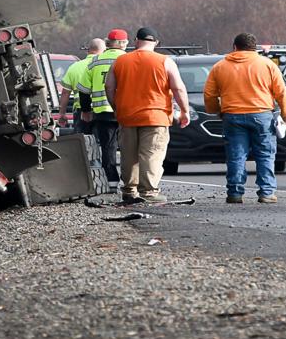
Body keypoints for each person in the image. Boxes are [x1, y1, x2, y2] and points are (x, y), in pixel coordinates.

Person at [104, 27, 190, 206]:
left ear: (136, 40)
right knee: (151, 154)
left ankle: (129, 191)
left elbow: (109, 87)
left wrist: (116, 107)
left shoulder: (120, 61)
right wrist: (184, 111)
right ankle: (149, 192)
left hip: (127, 116)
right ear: (156, 42)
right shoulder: (165, 61)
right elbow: (178, 88)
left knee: (129, 155)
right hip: (155, 116)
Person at [204, 32, 286, 204]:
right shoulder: (267, 65)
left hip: (232, 116)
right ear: (254, 48)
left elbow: (209, 94)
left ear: (234, 47)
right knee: (265, 154)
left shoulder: (220, 67)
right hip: (262, 115)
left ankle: (235, 193)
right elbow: (281, 92)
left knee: (236, 155)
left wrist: (217, 111)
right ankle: (266, 192)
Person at [77, 30, 130, 187]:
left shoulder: (95, 61)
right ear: (124, 43)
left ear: (107, 43)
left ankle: (111, 180)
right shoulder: (129, 60)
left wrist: (85, 110)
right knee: (130, 146)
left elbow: (84, 89)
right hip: (126, 110)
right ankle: (131, 181)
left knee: (108, 147)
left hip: (102, 112)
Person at [58, 37, 103, 134]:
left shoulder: (75, 67)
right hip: (102, 110)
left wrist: (62, 113)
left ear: (88, 50)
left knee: (82, 140)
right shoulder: (104, 66)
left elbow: (65, 93)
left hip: (81, 111)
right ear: (103, 50)